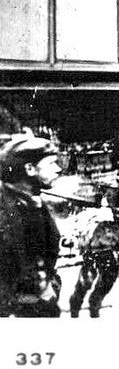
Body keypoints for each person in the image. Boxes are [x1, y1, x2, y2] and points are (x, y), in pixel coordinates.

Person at [0, 135, 62, 317]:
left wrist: (50, 284)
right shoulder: (4, 209)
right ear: (29, 169)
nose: (58, 169)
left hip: (41, 302)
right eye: (51, 164)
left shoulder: (34, 202)